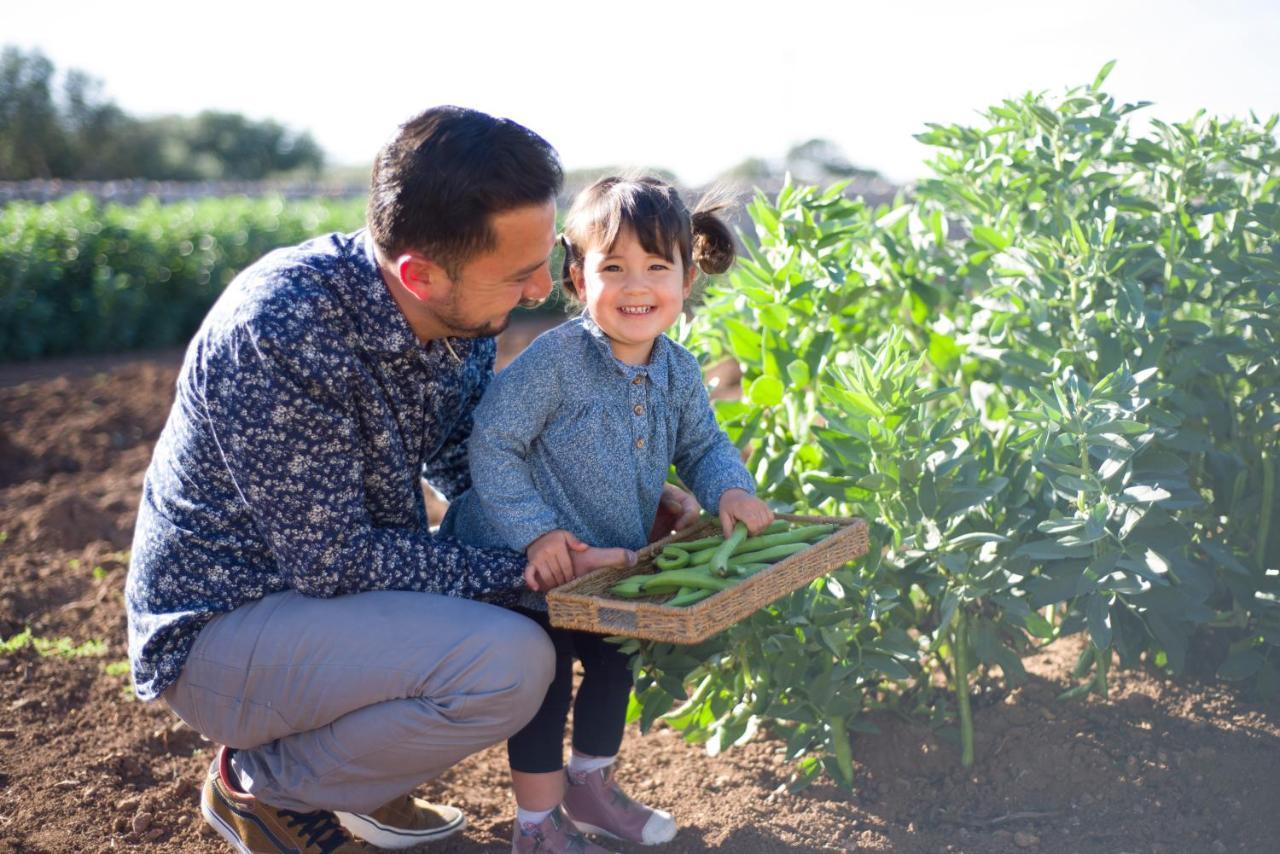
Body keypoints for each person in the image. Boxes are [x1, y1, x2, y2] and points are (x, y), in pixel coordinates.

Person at [124, 107, 697, 854]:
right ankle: (262, 785)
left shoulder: (456, 321)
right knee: (512, 660)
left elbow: (466, 463)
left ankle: (356, 779)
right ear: (419, 275)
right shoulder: (285, 331)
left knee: (511, 621)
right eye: (519, 273)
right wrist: (539, 569)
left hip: (327, 603)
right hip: (223, 631)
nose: (537, 291)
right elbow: (339, 565)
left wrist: (613, 495)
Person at [439, 175, 775, 853]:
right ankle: (535, 826)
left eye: (657, 267)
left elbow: (704, 446)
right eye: (612, 267)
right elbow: (493, 443)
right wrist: (536, 533)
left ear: (688, 276)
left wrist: (729, 490)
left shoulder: (678, 370)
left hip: (607, 562)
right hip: (526, 558)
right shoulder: (557, 361)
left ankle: (590, 789)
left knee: (616, 660)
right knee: (549, 672)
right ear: (576, 276)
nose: (636, 286)